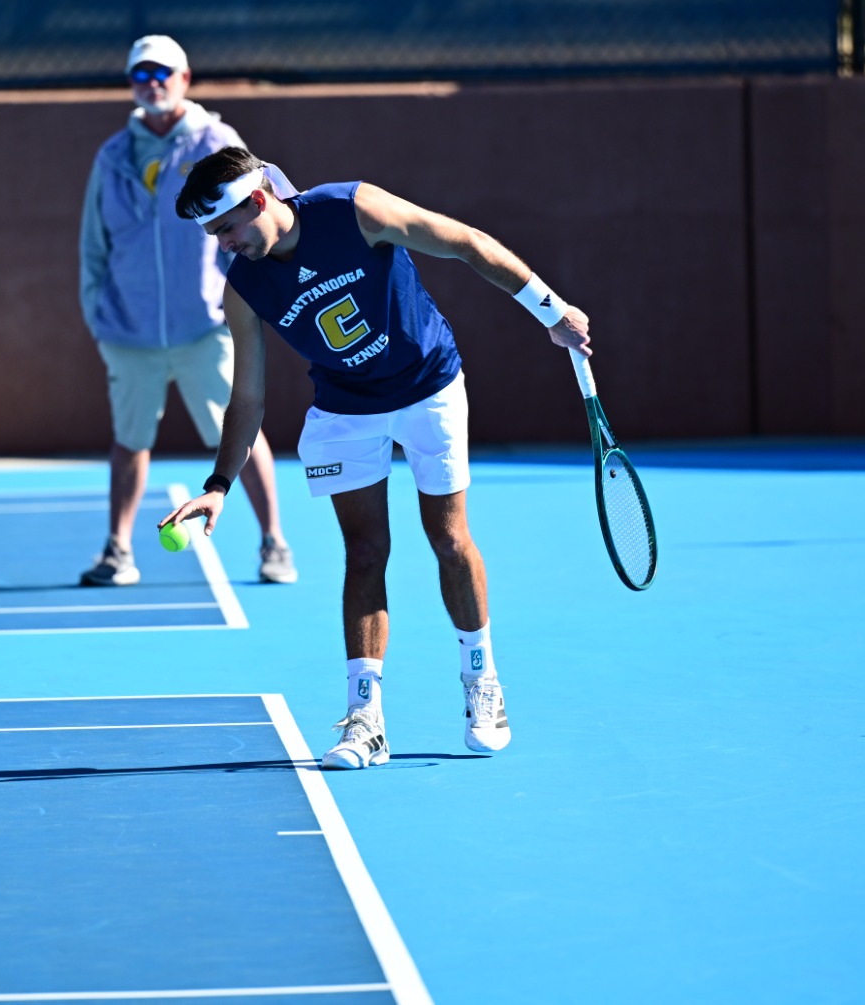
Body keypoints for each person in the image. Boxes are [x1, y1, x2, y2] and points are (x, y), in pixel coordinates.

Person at [160, 148, 591, 769]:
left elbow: (466, 243)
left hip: (429, 387)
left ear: (258, 201)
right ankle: (366, 720)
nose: (223, 245)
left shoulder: (352, 210)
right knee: (363, 552)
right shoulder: (245, 289)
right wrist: (219, 484)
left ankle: (482, 682)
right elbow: (247, 397)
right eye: (212, 235)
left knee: (449, 539)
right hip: (345, 409)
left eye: (225, 228)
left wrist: (551, 311)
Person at [77, 35, 293, 586]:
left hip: (205, 328)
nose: (152, 84)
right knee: (129, 441)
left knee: (240, 433)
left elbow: (255, 221)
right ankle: (117, 551)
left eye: (163, 73)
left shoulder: (217, 142)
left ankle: (273, 542)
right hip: (129, 332)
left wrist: (240, 302)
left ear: (185, 79)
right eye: (141, 74)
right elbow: (93, 243)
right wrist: (100, 313)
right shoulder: (112, 156)